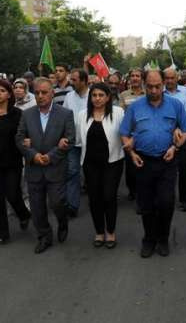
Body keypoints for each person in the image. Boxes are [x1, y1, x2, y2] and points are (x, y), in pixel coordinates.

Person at [119, 70, 186, 258]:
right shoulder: (135, 107)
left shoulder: (175, 105)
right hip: (142, 161)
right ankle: (149, 239)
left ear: (163, 84)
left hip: (167, 160)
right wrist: (131, 152)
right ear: (144, 84)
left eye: (157, 86)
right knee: (146, 204)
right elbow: (124, 132)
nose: (154, 90)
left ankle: (163, 238)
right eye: (149, 86)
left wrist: (175, 147)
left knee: (166, 202)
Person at [15, 77, 75, 254]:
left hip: (55, 168)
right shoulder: (27, 114)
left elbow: (70, 140)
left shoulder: (65, 114)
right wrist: (34, 156)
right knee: (37, 207)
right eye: (37, 92)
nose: (40, 96)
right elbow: (19, 138)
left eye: (44, 92)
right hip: (34, 168)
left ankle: (63, 222)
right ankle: (44, 236)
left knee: (57, 203)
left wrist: (50, 156)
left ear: (52, 93)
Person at [77, 82, 125, 248]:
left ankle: (110, 232)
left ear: (108, 97)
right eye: (94, 95)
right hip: (90, 164)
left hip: (113, 162)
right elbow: (77, 140)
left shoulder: (118, 113)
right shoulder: (82, 115)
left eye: (101, 95)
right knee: (94, 198)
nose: (97, 99)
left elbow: (127, 133)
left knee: (109, 196)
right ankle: (99, 231)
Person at [0, 80, 31, 246]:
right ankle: (2, 234)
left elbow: (24, 134)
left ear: (9, 94)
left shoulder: (17, 114)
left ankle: (24, 215)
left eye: (2, 90)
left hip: (13, 160)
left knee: (13, 195)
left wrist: (27, 142)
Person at [164, 67, 186, 212]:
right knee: (165, 167)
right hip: (164, 134)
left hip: (183, 135)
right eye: (167, 78)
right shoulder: (159, 93)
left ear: (177, 78)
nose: (170, 81)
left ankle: (184, 199)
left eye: (172, 78)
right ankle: (167, 197)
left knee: (184, 168)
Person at [62, 68, 89, 217]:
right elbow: (64, 117)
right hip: (73, 141)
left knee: (92, 174)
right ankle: (72, 205)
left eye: (74, 80)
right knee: (72, 172)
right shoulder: (69, 97)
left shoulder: (94, 95)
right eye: (71, 79)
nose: (71, 83)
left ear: (84, 81)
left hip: (90, 142)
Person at [119, 68, 146, 201]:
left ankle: (143, 190)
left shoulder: (148, 94)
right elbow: (121, 114)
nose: (135, 78)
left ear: (142, 78)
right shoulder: (123, 95)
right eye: (133, 76)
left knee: (144, 164)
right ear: (129, 78)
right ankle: (132, 190)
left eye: (138, 76)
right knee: (130, 166)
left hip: (145, 134)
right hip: (129, 136)